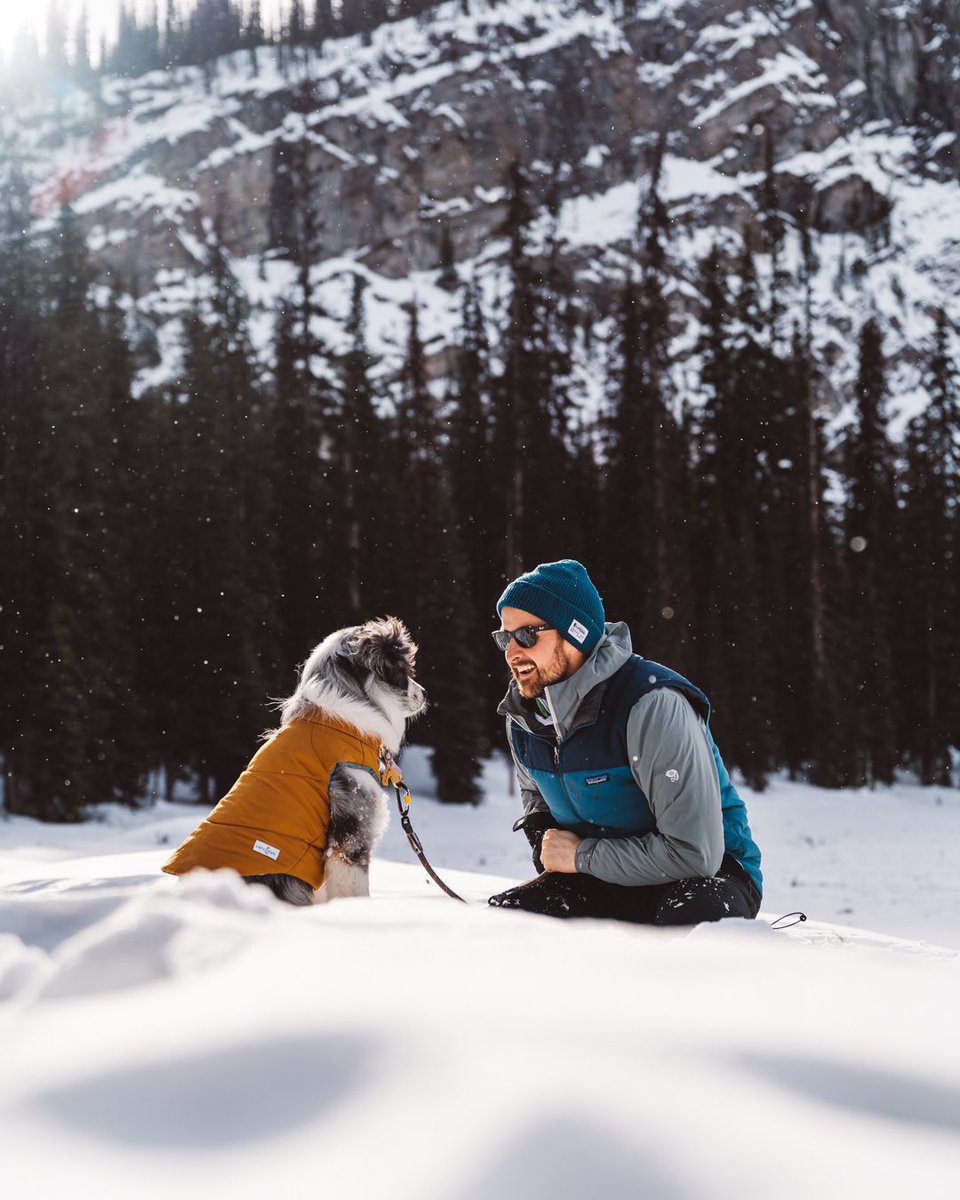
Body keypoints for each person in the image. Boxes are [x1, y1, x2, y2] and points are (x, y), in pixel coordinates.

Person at [487, 559, 762, 925]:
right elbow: (536, 794)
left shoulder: (649, 705)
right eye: (505, 638)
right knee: (509, 921)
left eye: (526, 636)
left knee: (688, 917)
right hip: (604, 875)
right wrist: (542, 833)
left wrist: (580, 857)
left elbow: (696, 855)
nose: (511, 652)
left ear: (575, 633)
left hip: (707, 877)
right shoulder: (524, 716)